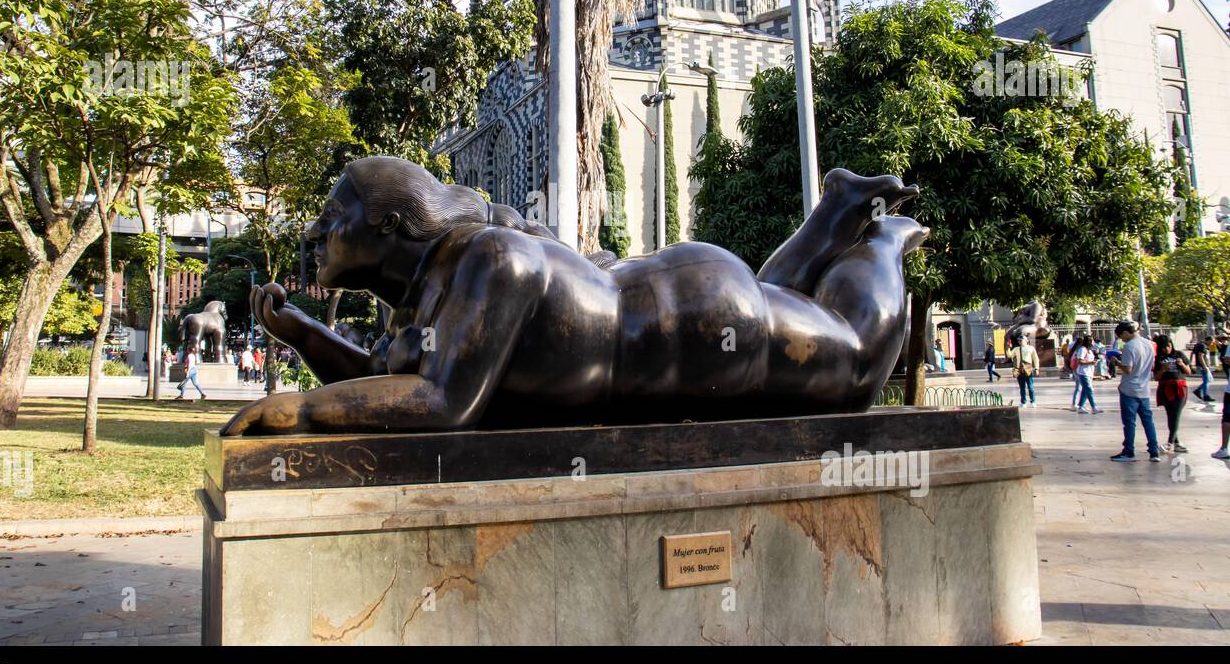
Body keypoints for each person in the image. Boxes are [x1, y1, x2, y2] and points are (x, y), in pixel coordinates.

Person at [221, 157, 928, 435]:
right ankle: (837, 211)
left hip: (705, 323)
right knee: (786, 305)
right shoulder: (430, 290)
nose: (318, 232)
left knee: (856, 365)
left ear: (392, 226)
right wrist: (306, 336)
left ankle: (886, 237)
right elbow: (394, 390)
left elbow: (442, 405)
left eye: (333, 219)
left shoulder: (486, 259)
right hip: (686, 308)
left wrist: (301, 409)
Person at [1110, 320, 1159, 462]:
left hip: (1129, 389)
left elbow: (1128, 369)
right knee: (1148, 421)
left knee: (1129, 422)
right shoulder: (1148, 344)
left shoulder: (1129, 347)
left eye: (1121, 336)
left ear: (1126, 332)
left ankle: (1129, 451)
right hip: (1144, 388)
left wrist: (1117, 363)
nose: (1121, 339)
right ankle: (1154, 451)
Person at [1153, 334, 1191, 454]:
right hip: (1165, 388)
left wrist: (1182, 365)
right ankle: (1177, 443)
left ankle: (1169, 443)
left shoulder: (1179, 354)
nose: (1167, 349)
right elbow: (1156, 377)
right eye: (1164, 347)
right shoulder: (1158, 358)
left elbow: (1189, 372)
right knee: (1171, 416)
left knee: (1176, 413)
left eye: (1168, 346)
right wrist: (1162, 369)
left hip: (1180, 388)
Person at [1073, 335, 1102, 414]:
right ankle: (1094, 407)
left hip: (1089, 373)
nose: (1093, 342)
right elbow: (1079, 361)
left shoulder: (1089, 350)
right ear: (1089, 341)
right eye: (1092, 341)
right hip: (1083, 373)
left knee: (1085, 390)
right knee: (1089, 389)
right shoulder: (1082, 349)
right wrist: (1090, 362)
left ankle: (1081, 406)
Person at [1010, 332, 1039, 407]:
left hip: (1028, 369)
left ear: (1026, 341)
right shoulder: (1016, 349)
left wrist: (1036, 368)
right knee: (1022, 387)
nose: (1020, 342)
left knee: (1030, 386)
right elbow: (1010, 355)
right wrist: (1008, 348)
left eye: (1021, 340)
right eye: (1019, 341)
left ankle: (1033, 401)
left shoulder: (1031, 348)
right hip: (1020, 369)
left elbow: (1035, 359)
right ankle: (1023, 402)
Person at [1191, 335, 1214, 406]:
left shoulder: (1198, 344)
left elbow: (1192, 353)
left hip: (1200, 365)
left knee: (1209, 379)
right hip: (1203, 366)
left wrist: (1190, 362)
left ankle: (1198, 390)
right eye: (1211, 342)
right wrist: (1204, 367)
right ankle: (1205, 395)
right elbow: (1200, 356)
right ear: (1208, 340)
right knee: (1206, 380)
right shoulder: (1203, 346)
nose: (1211, 344)